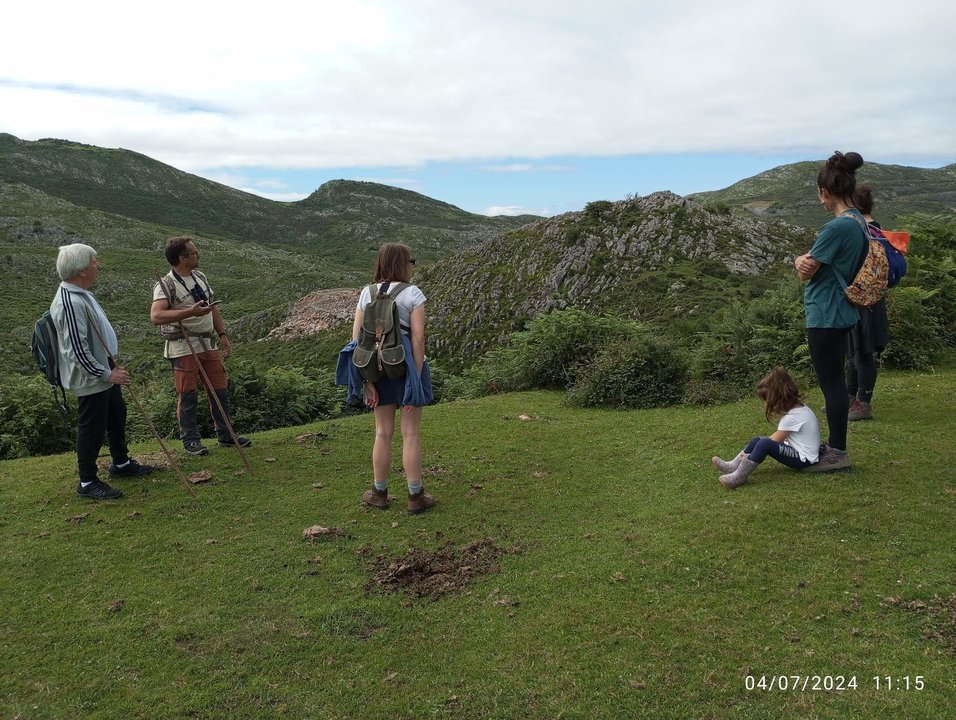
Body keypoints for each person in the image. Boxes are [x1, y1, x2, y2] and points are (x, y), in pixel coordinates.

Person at [49, 243, 153, 500]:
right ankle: (87, 482)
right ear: (81, 270)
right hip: (91, 376)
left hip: (103, 367)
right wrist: (106, 373)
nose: (99, 266)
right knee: (91, 427)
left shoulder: (81, 293)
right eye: (94, 262)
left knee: (116, 415)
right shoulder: (70, 302)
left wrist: (110, 364)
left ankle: (120, 463)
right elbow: (77, 350)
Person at [340, 243, 435, 514]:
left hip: (375, 370)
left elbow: (357, 341)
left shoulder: (366, 293)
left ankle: (379, 493)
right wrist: (414, 380)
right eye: (410, 262)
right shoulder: (413, 293)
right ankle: (415, 497)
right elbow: (417, 339)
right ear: (403, 264)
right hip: (406, 368)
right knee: (411, 433)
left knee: (382, 433)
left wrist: (367, 381)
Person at [793, 151, 868, 472]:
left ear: (826, 192)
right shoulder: (859, 222)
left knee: (831, 385)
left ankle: (837, 452)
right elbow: (811, 261)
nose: (820, 200)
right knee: (834, 382)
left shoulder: (836, 227)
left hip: (826, 313)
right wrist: (803, 259)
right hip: (842, 311)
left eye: (819, 194)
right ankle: (835, 447)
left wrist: (799, 261)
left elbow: (806, 270)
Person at [149, 236, 251, 456]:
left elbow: (212, 307)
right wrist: (190, 312)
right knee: (188, 393)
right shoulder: (165, 285)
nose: (198, 255)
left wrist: (222, 333)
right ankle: (191, 440)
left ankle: (225, 435)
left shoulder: (200, 277)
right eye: (194, 253)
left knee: (219, 389)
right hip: (183, 345)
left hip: (207, 342)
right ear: (182, 258)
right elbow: (156, 316)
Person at [712, 367, 821, 488]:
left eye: (768, 402)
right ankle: (733, 466)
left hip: (803, 459)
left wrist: (751, 454)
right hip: (797, 450)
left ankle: (739, 476)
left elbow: (773, 441)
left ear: (779, 400)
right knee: (757, 440)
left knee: (764, 444)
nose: (766, 405)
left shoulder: (791, 418)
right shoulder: (800, 409)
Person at [845, 185, 889, 421]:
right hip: (868, 298)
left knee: (862, 351)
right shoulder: (875, 230)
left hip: (866, 301)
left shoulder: (864, 231)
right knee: (854, 349)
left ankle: (864, 404)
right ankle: (851, 398)